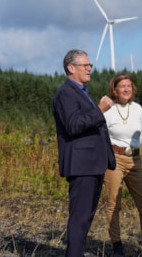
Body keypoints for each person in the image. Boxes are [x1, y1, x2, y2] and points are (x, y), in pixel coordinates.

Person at [52, 49, 116, 257]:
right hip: (82, 166)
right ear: (71, 68)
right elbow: (73, 125)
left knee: (85, 218)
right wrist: (100, 109)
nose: (90, 69)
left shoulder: (80, 92)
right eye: (85, 65)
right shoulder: (65, 94)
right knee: (80, 218)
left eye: (90, 65)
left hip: (92, 164)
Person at [103, 74, 142, 257]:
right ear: (114, 90)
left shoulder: (137, 108)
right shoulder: (108, 110)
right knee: (113, 204)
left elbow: (141, 132)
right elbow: (101, 134)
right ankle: (117, 246)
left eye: (129, 85)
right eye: (122, 86)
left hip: (135, 159)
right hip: (114, 159)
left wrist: (134, 150)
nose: (127, 89)